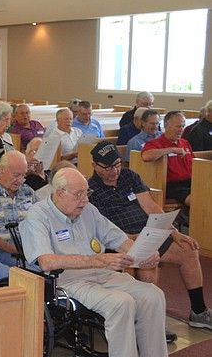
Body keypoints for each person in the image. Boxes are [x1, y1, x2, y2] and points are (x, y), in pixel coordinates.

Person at [21, 168, 195, 357]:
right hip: (68, 281)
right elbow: (46, 262)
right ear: (59, 193)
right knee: (121, 302)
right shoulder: (38, 216)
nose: (86, 199)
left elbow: (118, 238)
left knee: (152, 294)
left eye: (86, 193)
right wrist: (100, 261)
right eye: (79, 194)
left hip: (103, 273)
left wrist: (142, 255)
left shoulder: (87, 210)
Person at [87, 141, 211, 330]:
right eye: (108, 167)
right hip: (121, 241)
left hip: (148, 234)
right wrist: (132, 238)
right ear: (95, 166)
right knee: (148, 264)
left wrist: (174, 232)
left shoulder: (129, 176)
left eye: (118, 164)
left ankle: (199, 312)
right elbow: (103, 230)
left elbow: (151, 206)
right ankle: (148, 323)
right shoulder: (91, 191)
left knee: (188, 249)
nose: (114, 171)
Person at [141, 110, 194, 206]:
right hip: (172, 186)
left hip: (191, 182)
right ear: (166, 125)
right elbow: (146, 156)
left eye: (183, 126)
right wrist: (172, 149)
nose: (181, 130)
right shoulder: (155, 143)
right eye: (178, 126)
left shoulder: (185, 143)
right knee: (198, 199)